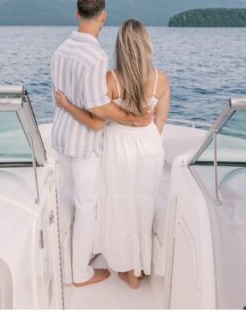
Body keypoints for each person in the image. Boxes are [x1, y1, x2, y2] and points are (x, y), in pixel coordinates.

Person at [55, 19, 169, 289]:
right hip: (150, 147)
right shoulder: (160, 80)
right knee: (142, 206)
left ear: (121, 46)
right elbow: (160, 122)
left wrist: (67, 104)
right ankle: (138, 270)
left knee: (118, 206)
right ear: (147, 45)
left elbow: (96, 118)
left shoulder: (111, 80)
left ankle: (122, 264)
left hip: (119, 148)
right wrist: (147, 141)